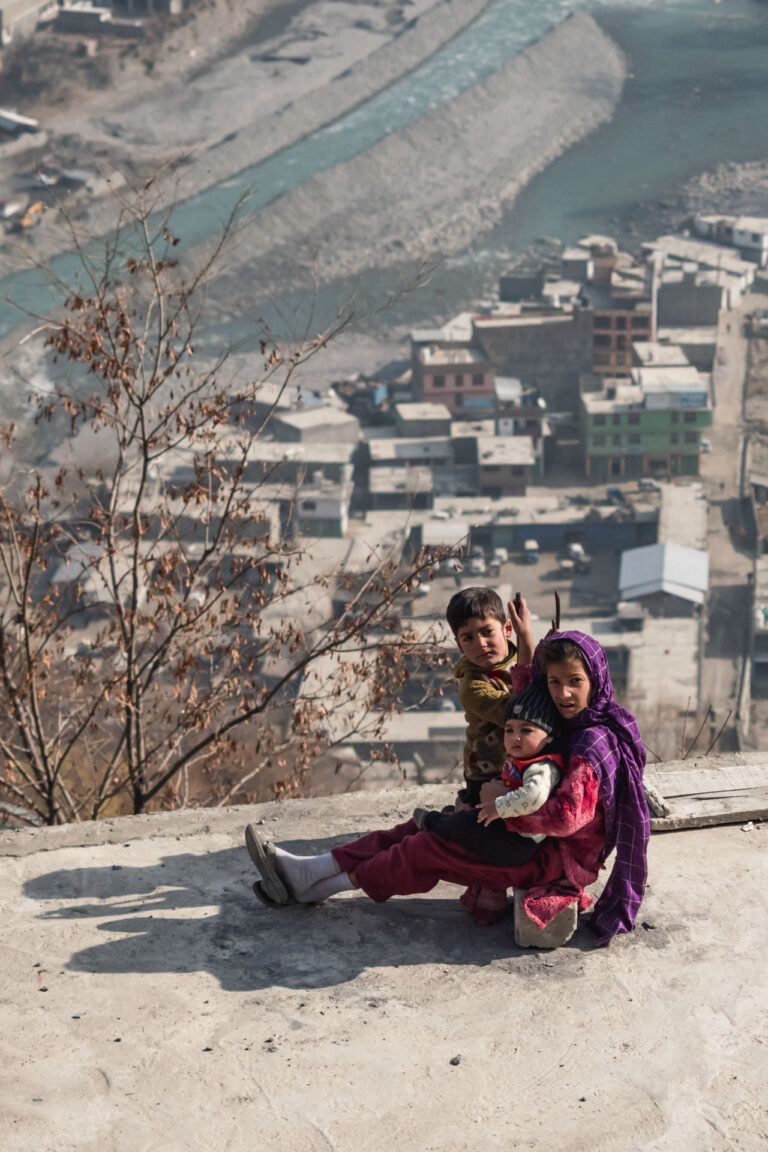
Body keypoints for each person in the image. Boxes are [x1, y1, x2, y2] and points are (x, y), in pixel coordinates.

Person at [245, 630, 650, 947]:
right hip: (522, 837)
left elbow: (565, 818)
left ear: (595, 680)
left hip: (550, 860)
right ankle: (313, 869)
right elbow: (528, 697)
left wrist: (500, 803)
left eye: (574, 682)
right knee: (420, 827)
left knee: (424, 850)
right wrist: (527, 639)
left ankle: (318, 886)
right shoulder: (573, 719)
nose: (563, 693)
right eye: (556, 681)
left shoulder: (590, 742)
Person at [411, 678, 563, 867]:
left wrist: (498, 806)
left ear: (548, 736)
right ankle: (449, 819)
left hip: (519, 842)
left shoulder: (542, 767)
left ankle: (433, 822)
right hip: (508, 827)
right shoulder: (522, 760)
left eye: (526, 730)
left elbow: (534, 796)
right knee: (467, 816)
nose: (515, 737)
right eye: (509, 730)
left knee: (464, 826)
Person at [445, 586, 534, 807]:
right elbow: (519, 711)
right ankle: (438, 821)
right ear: (459, 644)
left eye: (487, 632)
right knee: (477, 833)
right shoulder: (474, 686)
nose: (480, 644)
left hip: (522, 767)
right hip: (488, 773)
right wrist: (526, 637)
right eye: (468, 637)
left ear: (507, 629)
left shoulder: (519, 659)